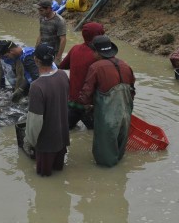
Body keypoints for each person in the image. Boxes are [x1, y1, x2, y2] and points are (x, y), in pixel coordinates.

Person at [77, 35, 136, 167]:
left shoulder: (95, 67)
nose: (93, 54)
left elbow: (86, 94)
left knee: (105, 155)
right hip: (126, 114)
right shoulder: (126, 65)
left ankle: (107, 179)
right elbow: (132, 91)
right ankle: (119, 178)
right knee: (119, 147)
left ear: (98, 52)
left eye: (94, 51)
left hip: (107, 116)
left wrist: (83, 104)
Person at [24, 43, 70, 177]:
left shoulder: (36, 86)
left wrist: (30, 141)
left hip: (47, 142)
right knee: (59, 171)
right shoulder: (62, 75)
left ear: (36, 60)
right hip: (62, 136)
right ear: (54, 57)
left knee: (44, 177)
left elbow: (35, 120)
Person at [59, 22, 105, 130]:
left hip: (72, 102)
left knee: (66, 130)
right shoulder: (100, 56)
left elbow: (62, 65)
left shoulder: (75, 49)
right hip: (89, 105)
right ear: (98, 35)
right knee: (95, 133)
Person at [34, 0, 67, 65]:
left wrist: (58, 57)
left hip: (53, 53)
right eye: (39, 10)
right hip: (42, 50)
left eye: (41, 10)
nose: (39, 12)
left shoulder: (59, 21)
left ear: (49, 8)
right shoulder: (42, 18)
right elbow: (41, 34)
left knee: (53, 73)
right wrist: (36, 50)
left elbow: (63, 39)